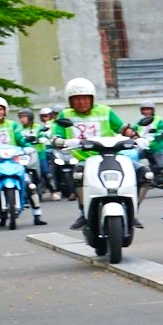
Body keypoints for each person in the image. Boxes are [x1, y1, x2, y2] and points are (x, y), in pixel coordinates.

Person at [51, 77, 135, 229]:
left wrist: (135, 136)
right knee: (78, 175)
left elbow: (122, 128)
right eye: (77, 99)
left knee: (143, 172)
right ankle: (84, 213)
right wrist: (59, 140)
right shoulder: (65, 115)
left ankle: (132, 211)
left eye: (85, 98)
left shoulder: (105, 111)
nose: (81, 102)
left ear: (92, 98)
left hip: (111, 155)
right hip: (85, 159)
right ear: (70, 101)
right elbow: (57, 135)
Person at [0, 97, 44, 224]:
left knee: (29, 183)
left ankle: (37, 214)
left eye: (0, 109)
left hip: (13, 159)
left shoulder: (13, 125)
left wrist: (27, 147)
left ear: (5, 111)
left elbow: (20, 139)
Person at [133, 100, 163, 185]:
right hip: (144, 147)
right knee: (133, 158)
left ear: (153, 110)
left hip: (156, 147)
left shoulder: (158, 120)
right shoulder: (141, 122)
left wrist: (156, 136)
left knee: (161, 167)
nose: (146, 111)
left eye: (149, 109)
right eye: (144, 109)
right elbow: (133, 129)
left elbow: (161, 130)